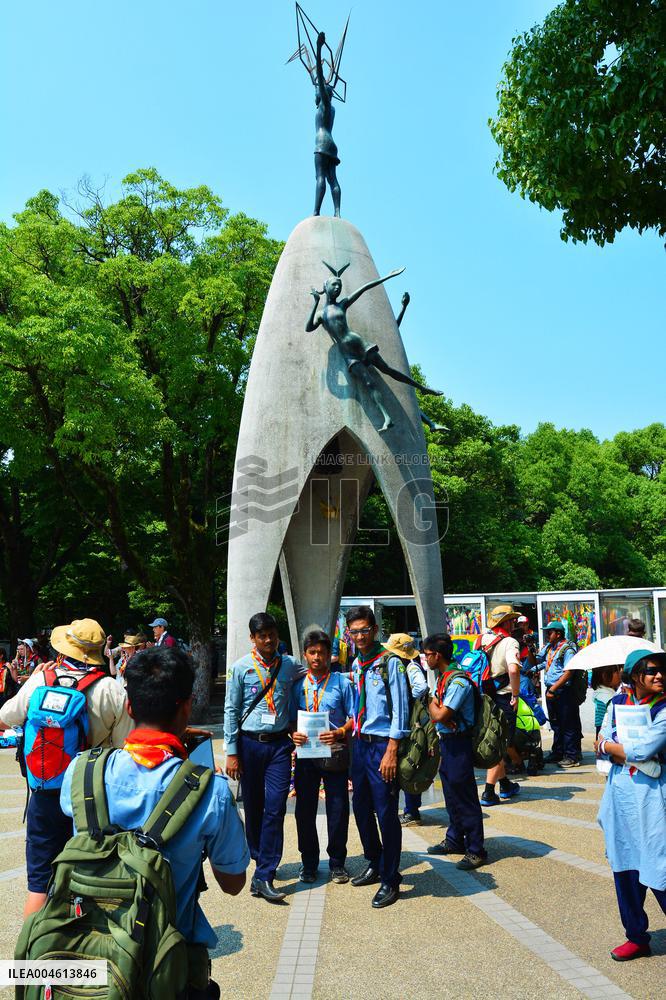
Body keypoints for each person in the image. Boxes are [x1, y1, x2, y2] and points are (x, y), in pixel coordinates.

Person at [60, 644, 250, 999]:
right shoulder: (210, 791)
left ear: (129, 707)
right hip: (167, 968)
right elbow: (233, 882)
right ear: (186, 707)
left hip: (90, 959)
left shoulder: (81, 772)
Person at [0, 618, 131, 916]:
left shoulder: (40, 680)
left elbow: (5, 718)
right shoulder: (111, 689)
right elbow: (125, 749)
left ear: (64, 650)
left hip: (45, 790)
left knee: (39, 885)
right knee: (86, 883)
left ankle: (33, 943)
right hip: (89, 798)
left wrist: (33, 682)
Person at [223, 612, 303, 903]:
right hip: (249, 745)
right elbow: (231, 710)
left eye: (272, 634)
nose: (268, 640)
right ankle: (260, 859)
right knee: (254, 807)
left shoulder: (290, 664)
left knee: (276, 806)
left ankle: (265, 872)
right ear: (252, 638)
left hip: (279, 746)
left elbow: (312, 674)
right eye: (262, 636)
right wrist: (232, 752)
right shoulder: (240, 668)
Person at [595, 648, 666, 962]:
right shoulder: (616, 704)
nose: (659, 675)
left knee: (659, 865)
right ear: (635, 675)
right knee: (625, 867)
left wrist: (611, 746)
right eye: (651, 670)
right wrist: (611, 746)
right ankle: (636, 937)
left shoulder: (663, 708)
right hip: (621, 794)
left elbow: (644, 748)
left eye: (662, 670)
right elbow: (601, 740)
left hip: (654, 797)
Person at [346, 606, 410, 908]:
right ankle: (375, 861)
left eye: (364, 630)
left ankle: (390, 878)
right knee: (360, 807)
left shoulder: (390, 663)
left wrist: (392, 749)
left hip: (382, 745)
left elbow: (401, 707)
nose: (359, 636)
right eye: (354, 632)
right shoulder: (357, 663)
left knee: (386, 812)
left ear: (374, 630)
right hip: (360, 744)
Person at [289, 628, 354, 884]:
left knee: (338, 808)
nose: (317, 657)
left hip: (334, 753)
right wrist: (293, 734)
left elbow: (354, 718)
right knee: (304, 810)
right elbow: (290, 720)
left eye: (322, 653)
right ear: (305, 655)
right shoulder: (298, 686)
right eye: (312, 652)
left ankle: (337, 862)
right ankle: (309, 863)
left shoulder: (342, 683)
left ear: (329, 655)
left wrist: (339, 732)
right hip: (306, 755)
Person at [424, 633, 487, 869]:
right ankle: (455, 839)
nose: (425, 659)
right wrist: (436, 709)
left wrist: (433, 705)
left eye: (427, 655)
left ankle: (476, 849)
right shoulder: (444, 678)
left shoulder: (458, 681)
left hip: (459, 743)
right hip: (447, 741)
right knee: (451, 794)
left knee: (465, 795)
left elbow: (440, 714)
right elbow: (438, 712)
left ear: (437, 655)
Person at [376, 633, 428, 827]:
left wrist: (407, 697)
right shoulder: (401, 664)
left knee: (409, 764)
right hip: (406, 721)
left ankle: (412, 811)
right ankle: (409, 809)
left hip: (411, 722)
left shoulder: (410, 666)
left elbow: (421, 687)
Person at [476, 605, 522, 807]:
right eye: (513, 620)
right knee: (499, 744)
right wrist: (516, 695)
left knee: (492, 739)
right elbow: (513, 670)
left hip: (483, 698)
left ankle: (505, 785)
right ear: (507, 622)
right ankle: (488, 792)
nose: (515, 624)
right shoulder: (510, 642)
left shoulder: (480, 640)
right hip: (503, 698)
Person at [536, 620, 581, 767]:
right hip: (552, 690)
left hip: (563, 691)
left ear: (558, 634)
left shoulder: (567, 649)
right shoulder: (550, 648)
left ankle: (571, 756)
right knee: (556, 724)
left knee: (568, 724)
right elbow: (543, 662)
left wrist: (554, 689)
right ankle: (558, 752)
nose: (547, 635)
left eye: (549, 633)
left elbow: (569, 672)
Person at [591, 664, 622, 738]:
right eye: (617, 672)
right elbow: (602, 723)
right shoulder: (604, 696)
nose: (619, 675)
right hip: (605, 733)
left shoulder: (604, 692)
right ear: (605, 676)